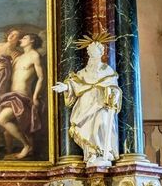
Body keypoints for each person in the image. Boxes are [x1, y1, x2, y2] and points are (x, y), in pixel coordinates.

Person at [52, 37, 122, 167]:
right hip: (85, 105)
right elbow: (75, 83)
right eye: (90, 53)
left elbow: (114, 87)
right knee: (87, 130)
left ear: (101, 53)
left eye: (94, 52)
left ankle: (105, 152)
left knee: (101, 123)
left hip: (101, 104)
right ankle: (92, 153)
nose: (92, 55)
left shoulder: (107, 71)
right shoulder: (83, 72)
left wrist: (114, 94)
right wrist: (66, 87)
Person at [0, 33, 44, 159]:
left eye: (24, 38)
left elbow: (41, 78)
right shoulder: (18, 57)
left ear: (32, 40)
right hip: (11, 95)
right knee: (9, 123)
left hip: (22, 97)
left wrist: (35, 97)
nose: (21, 40)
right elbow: (6, 73)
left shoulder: (35, 56)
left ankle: (27, 146)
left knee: (1, 119)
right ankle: (15, 149)